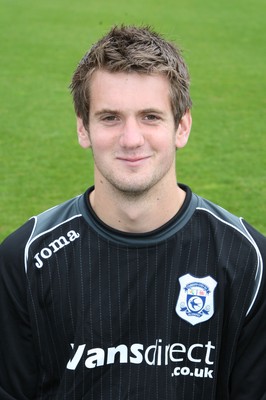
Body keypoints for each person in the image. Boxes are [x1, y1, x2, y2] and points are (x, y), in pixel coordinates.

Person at [0, 25, 265, 400]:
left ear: (182, 126)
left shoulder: (248, 261)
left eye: (150, 117)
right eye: (110, 117)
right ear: (82, 128)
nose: (131, 139)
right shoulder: (25, 259)